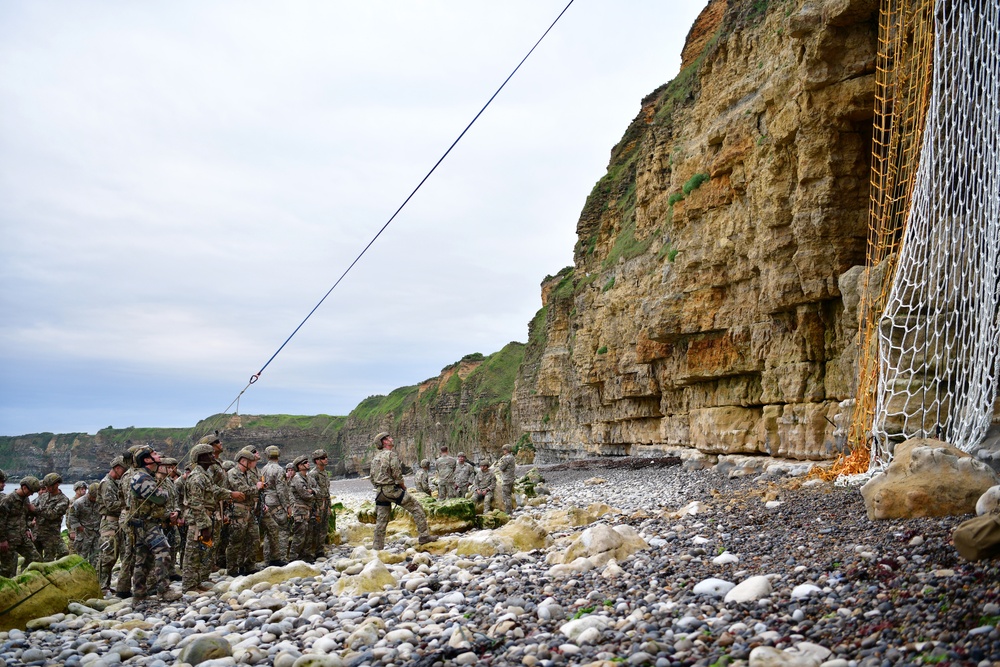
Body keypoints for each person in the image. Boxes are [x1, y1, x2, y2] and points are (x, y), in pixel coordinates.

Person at [182, 443, 243, 591]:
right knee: (193, 553)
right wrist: (204, 526)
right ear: (201, 457)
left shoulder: (204, 475)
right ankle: (189, 586)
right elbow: (196, 505)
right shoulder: (197, 477)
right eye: (209, 454)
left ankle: (199, 581)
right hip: (198, 521)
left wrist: (230, 494)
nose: (212, 457)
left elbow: (214, 490)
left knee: (202, 551)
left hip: (206, 518)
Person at [128, 446, 182, 603]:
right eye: (154, 454)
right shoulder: (141, 478)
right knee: (163, 551)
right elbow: (160, 498)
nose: (158, 456)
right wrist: (162, 491)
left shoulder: (147, 477)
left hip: (146, 524)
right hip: (147, 525)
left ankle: (139, 594)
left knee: (143, 560)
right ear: (146, 459)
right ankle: (163, 590)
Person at [370, 432, 433, 550]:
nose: (392, 438)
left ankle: (377, 548)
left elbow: (372, 476)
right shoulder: (391, 455)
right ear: (384, 442)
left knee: (381, 521)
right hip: (392, 491)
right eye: (389, 438)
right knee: (417, 507)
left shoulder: (375, 458)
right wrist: (402, 486)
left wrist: (379, 486)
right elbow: (397, 473)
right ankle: (424, 536)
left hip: (379, 493)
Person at [226, 448, 263, 575]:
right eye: (249, 461)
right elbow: (242, 490)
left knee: (254, 539)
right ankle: (232, 569)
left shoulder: (248, 474)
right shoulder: (233, 473)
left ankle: (249, 565)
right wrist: (257, 488)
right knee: (236, 542)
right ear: (243, 461)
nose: (252, 464)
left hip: (249, 511)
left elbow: (249, 491)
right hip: (238, 511)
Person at [0, 476, 41, 577]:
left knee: (36, 559)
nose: (32, 494)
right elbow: (1, 521)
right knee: (6, 569)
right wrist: (2, 540)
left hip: (22, 537)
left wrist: (27, 529)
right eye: (31, 491)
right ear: (24, 487)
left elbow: (24, 516)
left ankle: (26, 580)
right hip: (8, 539)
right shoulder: (8, 500)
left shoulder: (25, 499)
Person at [97, 456, 127, 592]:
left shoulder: (116, 483)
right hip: (109, 523)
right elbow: (110, 505)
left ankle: (107, 585)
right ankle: (102, 586)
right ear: (117, 468)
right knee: (107, 556)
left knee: (119, 554)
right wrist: (126, 504)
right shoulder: (106, 483)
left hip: (118, 523)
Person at [260, 445, 289, 566]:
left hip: (266, 503)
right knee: (282, 530)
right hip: (277, 503)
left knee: (268, 532)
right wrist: (286, 506)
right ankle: (280, 557)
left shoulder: (263, 470)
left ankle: (267, 559)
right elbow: (281, 490)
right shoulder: (279, 470)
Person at [35, 472, 70, 560]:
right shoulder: (43, 496)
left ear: (57, 484)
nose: (47, 488)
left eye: (49, 486)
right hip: (37, 532)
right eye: (46, 486)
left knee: (49, 559)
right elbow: (31, 507)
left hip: (50, 535)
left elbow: (52, 515)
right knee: (34, 558)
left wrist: (36, 510)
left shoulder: (63, 500)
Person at [67, 483, 101, 567]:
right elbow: (71, 517)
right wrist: (79, 528)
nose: (94, 499)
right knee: (81, 559)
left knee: (96, 559)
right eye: (93, 497)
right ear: (89, 494)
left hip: (97, 534)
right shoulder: (79, 503)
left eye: (95, 497)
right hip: (83, 535)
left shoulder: (100, 501)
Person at [288, 455, 315, 561]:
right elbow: (305, 495)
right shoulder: (297, 479)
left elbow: (316, 489)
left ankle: (306, 555)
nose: (308, 463)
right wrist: (312, 492)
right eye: (305, 462)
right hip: (300, 510)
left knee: (308, 534)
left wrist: (312, 491)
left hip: (307, 510)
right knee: (299, 535)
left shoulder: (308, 478)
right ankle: (293, 557)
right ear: (299, 466)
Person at [307, 449, 331, 560]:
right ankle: (313, 551)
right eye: (323, 458)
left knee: (324, 527)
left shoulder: (325, 473)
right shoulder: (313, 474)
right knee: (316, 528)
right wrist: (315, 508)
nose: (326, 459)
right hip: (318, 504)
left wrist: (329, 505)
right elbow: (312, 492)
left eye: (326, 457)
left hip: (325, 503)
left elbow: (327, 490)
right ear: (317, 461)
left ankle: (320, 550)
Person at [494, 444, 517, 514]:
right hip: (511, 478)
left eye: (504, 450)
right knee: (509, 495)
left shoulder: (506, 458)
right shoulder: (512, 457)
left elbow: (502, 468)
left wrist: (499, 463)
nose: (503, 451)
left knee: (506, 496)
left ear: (506, 450)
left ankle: (508, 511)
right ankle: (510, 510)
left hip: (506, 478)